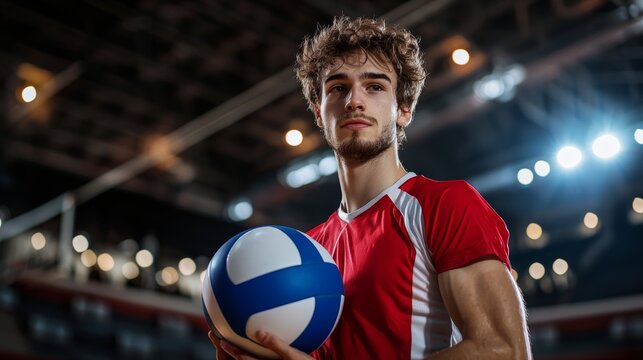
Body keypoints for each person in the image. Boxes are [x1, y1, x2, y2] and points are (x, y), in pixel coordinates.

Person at [210, 16, 532, 360]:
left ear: (404, 111)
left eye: (375, 86)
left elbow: (504, 351)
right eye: (337, 87)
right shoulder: (308, 251)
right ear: (319, 113)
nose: (354, 101)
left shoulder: (445, 205)